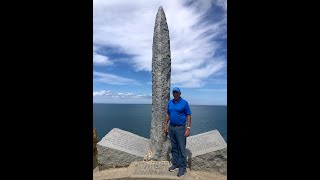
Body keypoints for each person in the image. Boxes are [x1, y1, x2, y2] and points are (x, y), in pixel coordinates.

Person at [164, 87, 192, 177]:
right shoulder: (170, 102)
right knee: (174, 148)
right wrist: (166, 125)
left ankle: (182, 167)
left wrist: (188, 128)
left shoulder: (184, 103)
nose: (175, 94)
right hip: (171, 127)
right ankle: (175, 164)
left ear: (180, 93)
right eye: (174, 93)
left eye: (177, 93)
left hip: (180, 128)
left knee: (182, 149)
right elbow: (168, 113)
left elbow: (188, 115)